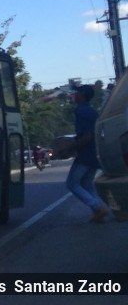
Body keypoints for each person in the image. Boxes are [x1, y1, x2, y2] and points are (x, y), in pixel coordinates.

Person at [66, 84, 109, 223]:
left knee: (72, 183)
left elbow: (87, 136)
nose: (74, 95)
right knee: (86, 184)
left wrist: (70, 148)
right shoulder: (91, 110)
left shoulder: (81, 111)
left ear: (82, 95)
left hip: (86, 154)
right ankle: (98, 210)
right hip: (94, 153)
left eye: (76, 93)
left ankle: (97, 207)